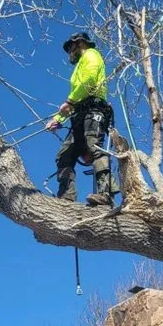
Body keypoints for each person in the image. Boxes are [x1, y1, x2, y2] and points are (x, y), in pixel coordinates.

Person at [46, 32, 116, 207]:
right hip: (79, 113)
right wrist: (58, 119)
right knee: (64, 155)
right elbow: (74, 101)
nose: (70, 52)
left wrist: (69, 101)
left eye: (71, 47)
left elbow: (89, 80)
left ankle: (105, 194)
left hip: (94, 109)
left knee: (95, 147)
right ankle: (66, 198)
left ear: (80, 43)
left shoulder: (92, 55)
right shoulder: (79, 66)